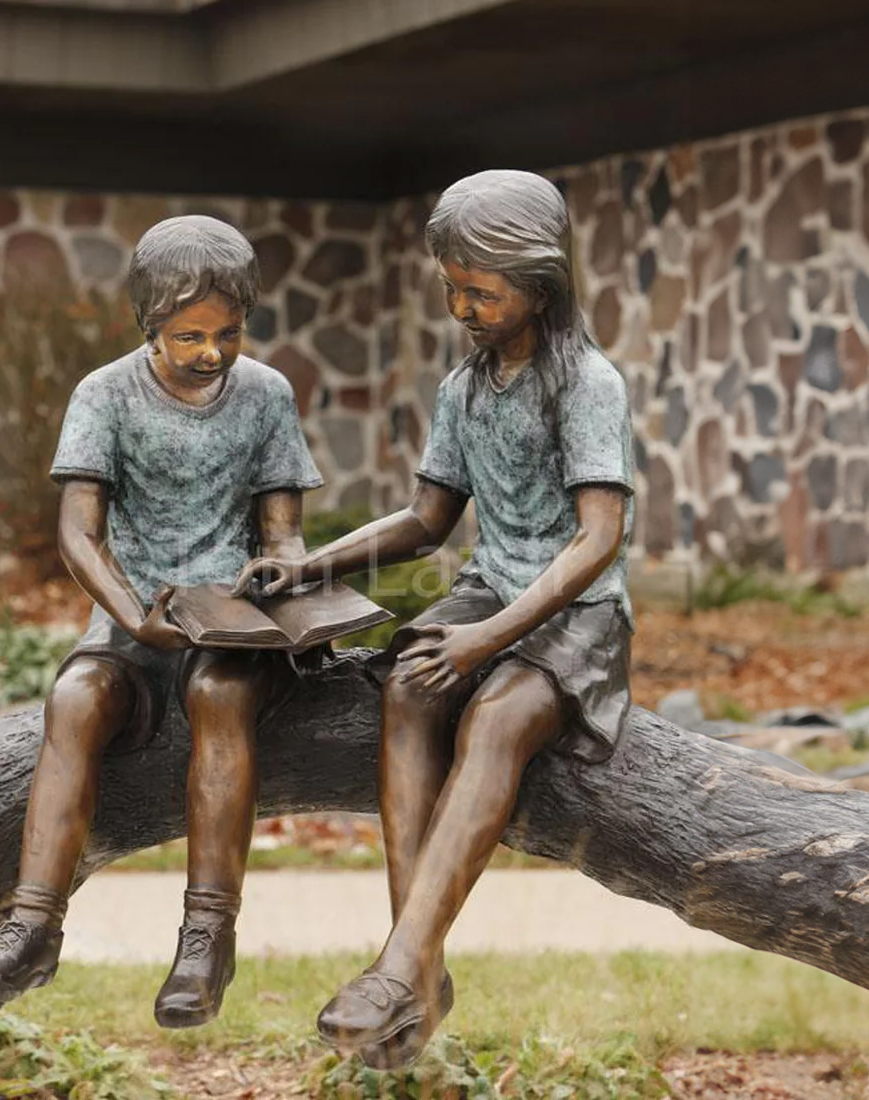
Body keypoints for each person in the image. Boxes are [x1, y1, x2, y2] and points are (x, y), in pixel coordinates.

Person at [236, 169, 634, 1067]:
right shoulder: (464, 388)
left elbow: (597, 539)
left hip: (575, 613)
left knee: (494, 721)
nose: (462, 306)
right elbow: (426, 520)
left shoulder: (588, 384)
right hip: (491, 590)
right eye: (451, 288)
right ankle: (417, 967)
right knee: (409, 693)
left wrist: (486, 641)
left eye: (481, 291)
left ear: (540, 283)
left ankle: (397, 967)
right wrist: (310, 563)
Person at [0, 214, 322, 1028]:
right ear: (149, 324)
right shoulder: (104, 394)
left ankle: (207, 937)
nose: (211, 353)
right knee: (77, 700)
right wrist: (132, 618)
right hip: (134, 619)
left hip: (228, 627)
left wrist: (285, 565)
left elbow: (283, 529)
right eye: (190, 335)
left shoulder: (266, 396)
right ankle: (34, 925)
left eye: (229, 333)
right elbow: (78, 535)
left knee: (222, 697)